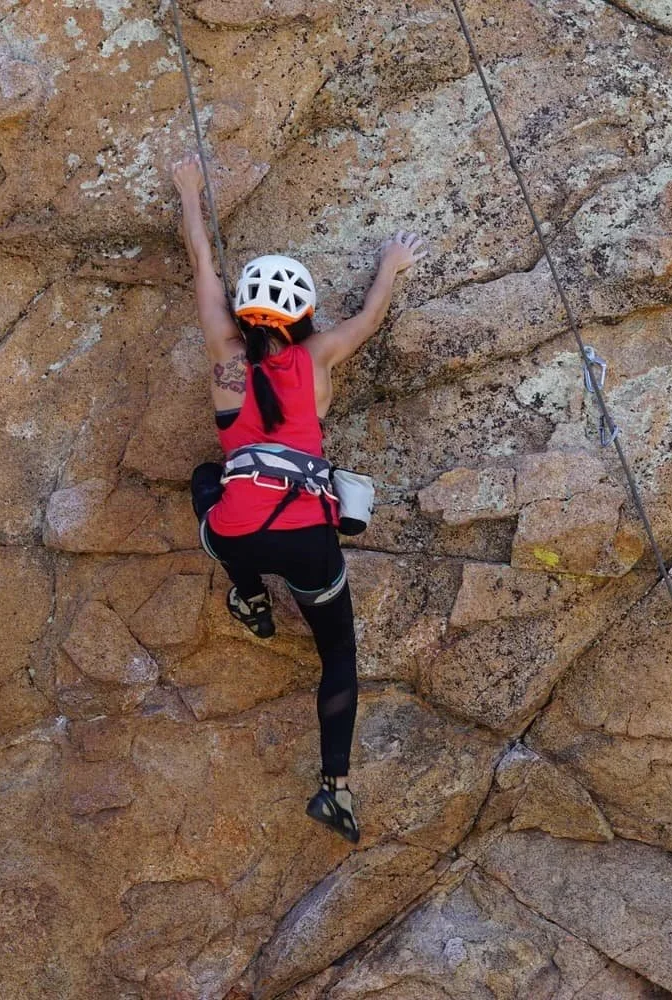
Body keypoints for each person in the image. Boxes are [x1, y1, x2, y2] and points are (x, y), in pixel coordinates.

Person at [171, 155, 426, 844]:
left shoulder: (223, 350)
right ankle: (334, 790)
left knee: (206, 489)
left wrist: (190, 191)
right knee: (337, 654)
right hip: (306, 533)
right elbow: (370, 318)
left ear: (245, 312)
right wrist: (391, 264)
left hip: (236, 524)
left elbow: (202, 264)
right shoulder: (314, 360)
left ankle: (248, 596)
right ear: (306, 314)